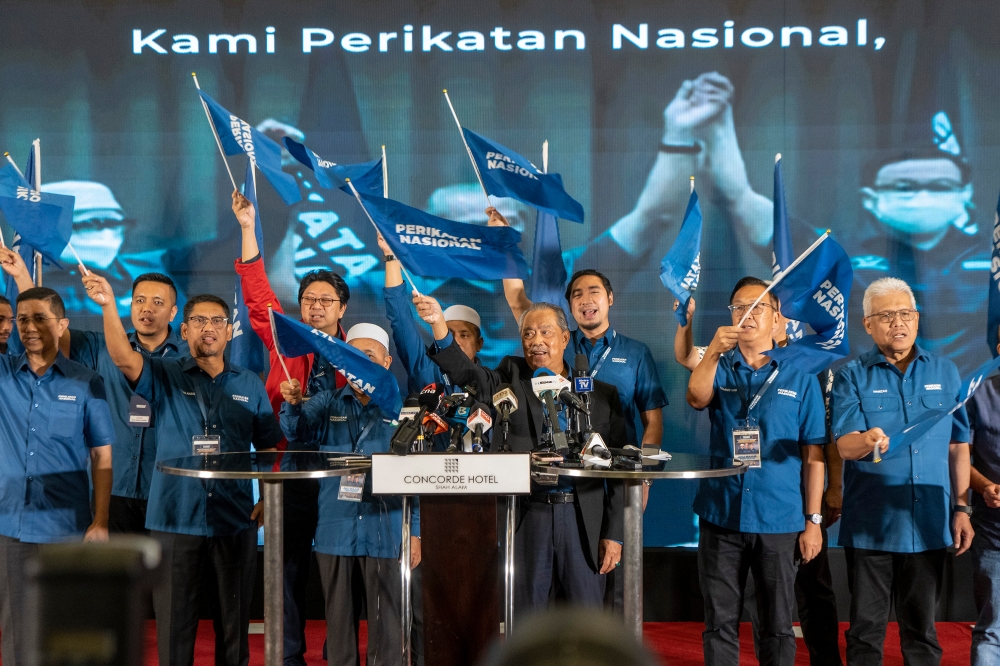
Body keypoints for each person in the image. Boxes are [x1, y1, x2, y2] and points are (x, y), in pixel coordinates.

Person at [665, 71, 989, 371]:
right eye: (903, 187)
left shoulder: (991, 261)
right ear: (870, 198)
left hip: (958, 399)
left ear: (965, 193)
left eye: (940, 185)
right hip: (863, 394)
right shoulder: (840, 259)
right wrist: (719, 133)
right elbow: (750, 206)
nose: (922, 197)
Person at [83, 272, 282, 666]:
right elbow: (124, 357)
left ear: (229, 332)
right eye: (200, 322)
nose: (208, 329)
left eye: (217, 323)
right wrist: (108, 306)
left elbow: (269, 445)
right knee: (175, 625)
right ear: (185, 329)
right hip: (173, 518)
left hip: (233, 518)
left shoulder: (250, 383)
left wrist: (268, 498)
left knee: (233, 626)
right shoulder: (163, 373)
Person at [414, 295, 626, 612]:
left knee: (586, 623)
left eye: (545, 332)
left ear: (565, 338)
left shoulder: (601, 395)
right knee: (525, 621)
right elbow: (469, 375)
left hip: (583, 520)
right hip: (527, 515)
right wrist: (439, 327)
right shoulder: (509, 376)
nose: (535, 341)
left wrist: (615, 534)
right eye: (528, 333)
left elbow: (622, 471)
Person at [673, 295, 843, 666]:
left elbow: (813, 456)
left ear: (776, 318)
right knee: (719, 622)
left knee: (777, 625)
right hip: (722, 513)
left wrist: (813, 521)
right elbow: (696, 398)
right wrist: (714, 352)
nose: (745, 313)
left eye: (757, 306)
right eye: (737, 306)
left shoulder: (801, 377)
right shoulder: (718, 366)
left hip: (779, 518)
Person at [232, 189, 351, 666]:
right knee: (285, 571)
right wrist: (246, 229)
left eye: (326, 300)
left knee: (341, 572)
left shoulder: (359, 355)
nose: (316, 306)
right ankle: (288, 656)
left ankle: (341, 652)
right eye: (308, 299)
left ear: (343, 309)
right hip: (289, 472)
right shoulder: (286, 344)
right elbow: (259, 298)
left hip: (344, 475)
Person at [831, 276, 973, 665]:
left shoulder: (946, 371)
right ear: (868, 325)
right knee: (865, 634)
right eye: (887, 315)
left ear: (917, 317)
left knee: (923, 634)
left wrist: (962, 509)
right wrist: (868, 440)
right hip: (871, 526)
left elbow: (958, 446)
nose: (899, 323)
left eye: (905, 313)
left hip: (928, 525)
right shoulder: (851, 375)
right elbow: (844, 444)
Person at [1, 246, 187, 533]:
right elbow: (51, 333)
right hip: (113, 491)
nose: (147, 308)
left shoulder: (188, 359)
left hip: (167, 489)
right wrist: (22, 275)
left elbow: (126, 361)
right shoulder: (101, 346)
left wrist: (107, 304)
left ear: (173, 311)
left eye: (158, 302)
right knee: (112, 576)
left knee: (164, 577)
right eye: (139, 300)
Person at [280, 322, 420, 666]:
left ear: (386, 362)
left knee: (387, 630)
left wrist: (415, 532)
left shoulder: (403, 409)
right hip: (336, 528)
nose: (358, 364)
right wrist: (295, 404)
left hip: (386, 529)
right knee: (339, 626)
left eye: (367, 356)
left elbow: (417, 477)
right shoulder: (327, 402)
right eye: (351, 357)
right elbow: (296, 430)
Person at [0, 286, 115, 666]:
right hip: (10, 526)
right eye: (22, 320)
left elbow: (101, 457)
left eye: (40, 318)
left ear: (62, 324)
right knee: (17, 632)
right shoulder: (2, 374)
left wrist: (100, 521)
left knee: (67, 631)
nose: (29, 327)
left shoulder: (86, 382)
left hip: (68, 527)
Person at [967, 336, 1000, 665]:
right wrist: (986, 486)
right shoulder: (980, 394)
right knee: (992, 629)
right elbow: (960, 458)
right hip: (994, 536)